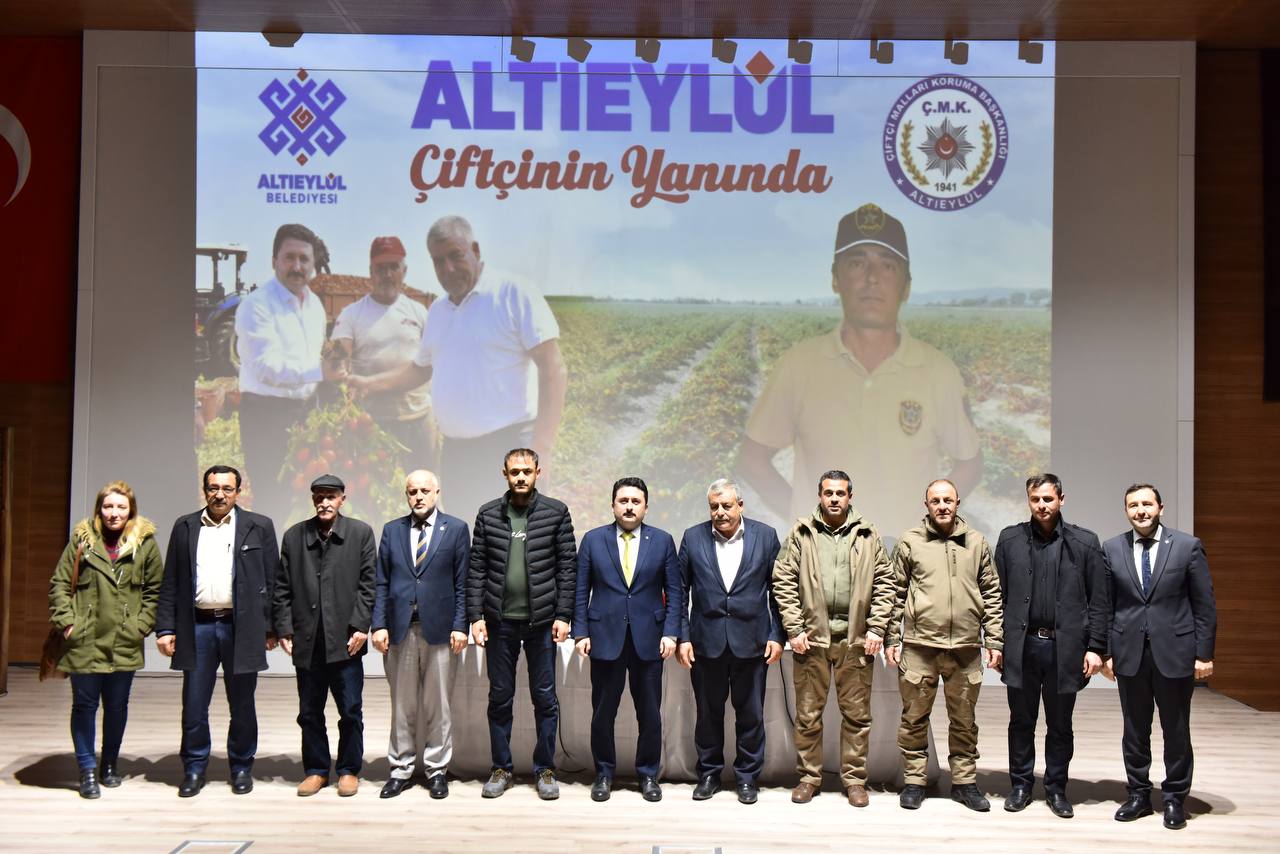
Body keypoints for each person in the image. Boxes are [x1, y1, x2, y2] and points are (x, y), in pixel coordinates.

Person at [738, 203, 982, 538]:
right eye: (857, 263)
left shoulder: (938, 371)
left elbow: (969, 462)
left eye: (888, 265)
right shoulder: (800, 365)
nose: (872, 278)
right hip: (823, 568)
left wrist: (931, 527)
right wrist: (809, 525)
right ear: (835, 279)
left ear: (906, 286)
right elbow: (752, 459)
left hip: (906, 564)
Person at [350, 216, 567, 527]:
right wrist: (368, 383)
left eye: (456, 256)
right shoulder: (438, 311)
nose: (448, 269)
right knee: (472, 539)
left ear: (475, 250)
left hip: (508, 445)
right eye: (439, 261)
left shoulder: (512, 293)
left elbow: (553, 368)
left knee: (517, 545)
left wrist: (541, 448)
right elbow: (418, 371)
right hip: (456, 451)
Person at [772, 470, 896, 807]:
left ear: (850, 496)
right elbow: (783, 580)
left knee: (857, 717)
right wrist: (794, 629)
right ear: (819, 495)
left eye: (841, 493)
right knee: (808, 716)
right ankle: (809, 778)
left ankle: (855, 781)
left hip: (855, 642)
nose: (834, 498)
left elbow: (886, 583)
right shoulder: (801, 532)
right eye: (828, 493)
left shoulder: (869, 535)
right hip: (810, 642)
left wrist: (876, 628)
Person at [156, 465, 280, 798]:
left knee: (242, 704)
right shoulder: (184, 526)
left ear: (238, 491)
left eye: (227, 488)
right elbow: (171, 582)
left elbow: (273, 582)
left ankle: (241, 767)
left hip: (241, 628)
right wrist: (165, 627)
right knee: (194, 704)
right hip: (197, 626)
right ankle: (194, 768)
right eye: (213, 488)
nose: (219, 494)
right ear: (204, 490)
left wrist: (272, 628)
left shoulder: (259, 526)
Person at [1101, 483, 1217, 830]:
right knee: (1134, 730)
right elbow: (1106, 606)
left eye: (1147, 504)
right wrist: (1106, 651)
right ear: (1126, 511)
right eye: (1133, 505)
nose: (1141, 510)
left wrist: (1203, 653)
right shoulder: (1112, 548)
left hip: (1175, 654)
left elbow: (1204, 605)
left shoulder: (1186, 546)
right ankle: (1138, 794)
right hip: (1129, 654)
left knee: (1176, 730)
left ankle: (1174, 799)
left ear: (1160, 507)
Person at [995, 473, 1111, 818]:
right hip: (1023, 646)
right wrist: (996, 642)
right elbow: (995, 596)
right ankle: (1020, 785)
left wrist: (1096, 648)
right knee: (1021, 721)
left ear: (1061, 499)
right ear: (1028, 501)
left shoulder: (1085, 542)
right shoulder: (1010, 539)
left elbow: (1100, 601)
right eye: (1036, 499)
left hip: (1066, 650)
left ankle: (1057, 789)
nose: (1042, 505)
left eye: (1048, 499)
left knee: (1060, 724)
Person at [885, 478, 1003, 812]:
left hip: (966, 649)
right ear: (926, 505)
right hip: (919, 648)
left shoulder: (977, 543)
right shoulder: (910, 542)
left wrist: (994, 639)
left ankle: (965, 783)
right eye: (935, 500)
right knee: (913, 718)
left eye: (947, 500)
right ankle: (914, 781)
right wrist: (892, 637)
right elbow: (895, 593)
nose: (942, 506)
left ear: (957, 502)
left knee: (964, 720)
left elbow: (992, 595)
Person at [467, 448, 576, 800]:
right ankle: (501, 767)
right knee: (500, 697)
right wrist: (475, 616)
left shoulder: (556, 512)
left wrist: (563, 615)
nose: (520, 477)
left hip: (542, 623)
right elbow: (477, 569)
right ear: (504, 473)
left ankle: (545, 769)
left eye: (526, 471)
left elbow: (567, 569)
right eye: (514, 471)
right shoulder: (487, 514)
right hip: (500, 624)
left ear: (537, 472)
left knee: (545, 698)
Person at [48, 480, 163, 799]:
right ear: (99, 509)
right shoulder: (82, 540)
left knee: (116, 706)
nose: (114, 513)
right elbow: (59, 583)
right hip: (84, 639)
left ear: (131, 510)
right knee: (84, 706)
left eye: (120, 507)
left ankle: (109, 764)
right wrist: (68, 623)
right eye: (108, 506)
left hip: (124, 640)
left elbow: (155, 591)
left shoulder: (145, 544)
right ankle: (86, 769)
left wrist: (140, 626)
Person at [573, 477, 681, 802]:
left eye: (636, 501)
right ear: (613, 505)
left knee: (649, 713)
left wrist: (671, 632)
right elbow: (581, 590)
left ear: (646, 506)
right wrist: (580, 632)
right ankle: (603, 773)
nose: (629, 506)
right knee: (603, 712)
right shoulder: (593, 540)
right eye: (623, 500)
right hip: (605, 637)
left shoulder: (662, 541)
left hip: (649, 640)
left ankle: (648, 775)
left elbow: (674, 592)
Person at [676, 479, 784, 805]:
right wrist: (682, 637)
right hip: (705, 643)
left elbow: (779, 592)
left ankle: (747, 778)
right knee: (708, 715)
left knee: (750, 714)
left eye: (726, 505)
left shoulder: (765, 537)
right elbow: (680, 593)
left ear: (741, 505)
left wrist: (777, 635)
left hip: (752, 644)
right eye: (714, 506)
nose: (720, 512)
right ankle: (708, 774)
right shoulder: (693, 538)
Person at [274, 474, 377, 797]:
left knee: (350, 710)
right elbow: (282, 588)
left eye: (331, 496)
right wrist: (284, 628)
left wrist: (362, 626)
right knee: (309, 712)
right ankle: (317, 769)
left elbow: (368, 584)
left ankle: (348, 770)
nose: (324, 502)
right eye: (319, 496)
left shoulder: (360, 534)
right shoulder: (294, 537)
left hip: (346, 641)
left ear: (342, 499)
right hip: (307, 641)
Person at [371, 469, 470, 799]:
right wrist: (379, 624)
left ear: (437, 492)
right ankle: (400, 768)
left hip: (441, 630)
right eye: (412, 491)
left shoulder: (456, 529)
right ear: (406, 495)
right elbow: (381, 582)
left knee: (438, 704)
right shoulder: (391, 530)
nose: (418, 496)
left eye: (424, 490)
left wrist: (460, 625)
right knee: (402, 704)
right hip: (399, 629)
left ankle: (437, 769)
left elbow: (462, 584)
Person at [235, 223, 345, 522]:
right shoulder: (255, 306)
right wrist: (320, 371)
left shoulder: (314, 306)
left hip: (306, 413)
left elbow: (314, 355)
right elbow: (265, 367)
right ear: (274, 261)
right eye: (289, 257)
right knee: (274, 499)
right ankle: (272, 567)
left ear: (312, 265)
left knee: (309, 498)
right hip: (266, 415)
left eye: (304, 259)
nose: (297, 266)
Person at [330, 236, 437, 468]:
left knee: (425, 491)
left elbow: (431, 363)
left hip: (418, 419)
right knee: (379, 498)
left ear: (404, 271)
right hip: (373, 424)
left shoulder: (419, 312)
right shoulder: (351, 314)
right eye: (381, 268)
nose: (387, 274)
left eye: (393, 267)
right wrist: (336, 364)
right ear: (371, 271)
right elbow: (339, 356)